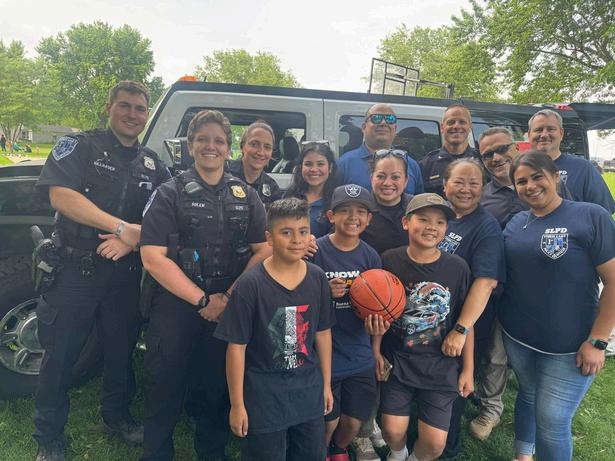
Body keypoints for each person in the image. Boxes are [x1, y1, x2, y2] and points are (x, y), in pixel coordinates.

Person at [33, 81, 171, 461]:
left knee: (120, 352)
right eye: (124, 106)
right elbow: (61, 196)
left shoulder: (152, 164)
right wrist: (122, 228)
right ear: (109, 108)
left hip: (124, 272)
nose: (132, 114)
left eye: (139, 109)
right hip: (74, 269)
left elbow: (166, 216)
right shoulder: (80, 146)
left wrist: (132, 240)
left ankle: (117, 418)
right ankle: (48, 436)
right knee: (60, 356)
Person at [139, 110, 270, 461]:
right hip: (176, 303)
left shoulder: (247, 196)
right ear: (190, 146)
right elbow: (152, 257)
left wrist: (226, 297)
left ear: (229, 149)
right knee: (166, 383)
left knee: (217, 386)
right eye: (203, 139)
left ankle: (212, 452)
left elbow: (263, 250)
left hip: (228, 304)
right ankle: (156, 453)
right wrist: (202, 300)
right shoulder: (169, 193)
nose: (211, 146)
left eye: (219, 141)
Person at [500, 151, 615, 461]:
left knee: (552, 420)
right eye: (521, 181)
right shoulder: (516, 223)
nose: (530, 186)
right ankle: (523, 454)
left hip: (570, 346)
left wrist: (598, 341)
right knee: (528, 394)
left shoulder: (590, 216)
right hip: (518, 337)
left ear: (555, 177)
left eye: (537, 177)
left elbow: (613, 282)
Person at [214, 197, 334, 461]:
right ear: (269, 238)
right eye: (286, 232)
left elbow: (323, 334)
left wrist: (326, 385)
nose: (297, 240)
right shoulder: (250, 285)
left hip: (308, 390)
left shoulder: (317, 278)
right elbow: (236, 347)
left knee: (312, 453)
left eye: (303, 231)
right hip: (264, 397)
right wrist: (237, 405)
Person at [374, 193, 473, 461]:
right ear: (406, 222)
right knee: (392, 431)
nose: (432, 227)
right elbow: (378, 313)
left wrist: (468, 370)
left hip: (440, 366)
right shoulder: (389, 260)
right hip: (398, 361)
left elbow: (466, 322)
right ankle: (398, 453)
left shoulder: (457, 268)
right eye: (424, 219)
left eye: (440, 222)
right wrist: (376, 352)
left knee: (435, 444)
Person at [437, 158, 506, 457]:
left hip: (464, 324)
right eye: (459, 182)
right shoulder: (440, 216)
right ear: (445, 185)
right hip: (435, 316)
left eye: (474, 183)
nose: (466, 189)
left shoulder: (485, 227)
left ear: (483, 188)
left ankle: (447, 449)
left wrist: (461, 329)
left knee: (455, 387)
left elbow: (486, 282)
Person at [312, 185, 381, 461]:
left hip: (358, 351)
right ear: (331, 216)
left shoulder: (371, 256)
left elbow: (380, 307)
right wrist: (323, 291)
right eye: (344, 211)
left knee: (353, 421)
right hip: (323, 352)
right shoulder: (315, 250)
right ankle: (320, 450)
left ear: (369, 219)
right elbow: (295, 294)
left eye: (361, 211)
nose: (353, 217)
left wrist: (376, 348)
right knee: (327, 421)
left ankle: (338, 447)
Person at [528, 108, 615, 213]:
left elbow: (603, 213)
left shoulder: (583, 168)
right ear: (529, 134)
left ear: (561, 133)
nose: (544, 135)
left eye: (551, 129)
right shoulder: (520, 172)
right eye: (538, 130)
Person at [337, 103, 423, 195]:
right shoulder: (343, 164)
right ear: (364, 127)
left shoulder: (411, 166)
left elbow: (419, 203)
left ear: (395, 129)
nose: (383, 123)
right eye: (376, 118)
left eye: (390, 119)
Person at [360, 149, 413, 255]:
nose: (387, 183)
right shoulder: (359, 209)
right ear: (371, 178)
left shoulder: (417, 207)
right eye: (380, 176)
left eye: (395, 177)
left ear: (406, 180)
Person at [420, 104, 479, 197]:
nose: (456, 126)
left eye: (462, 122)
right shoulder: (427, 164)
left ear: (470, 127)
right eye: (451, 122)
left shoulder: (482, 161)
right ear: (442, 127)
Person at [285, 141, 337, 238]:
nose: (314, 169)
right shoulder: (289, 196)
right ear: (301, 167)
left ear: (330, 167)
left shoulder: (336, 201)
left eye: (320, 164)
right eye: (308, 164)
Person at [226, 120, 283, 207]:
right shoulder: (223, 173)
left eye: (267, 147)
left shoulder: (272, 188)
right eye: (254, 144)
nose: (261, 152)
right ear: (242, 146)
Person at [479, 127, 527, 228]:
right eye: (488, 155)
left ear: (517, 148)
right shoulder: (480, 199)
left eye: (502, 149)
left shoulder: (543, 184)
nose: (496, 158)